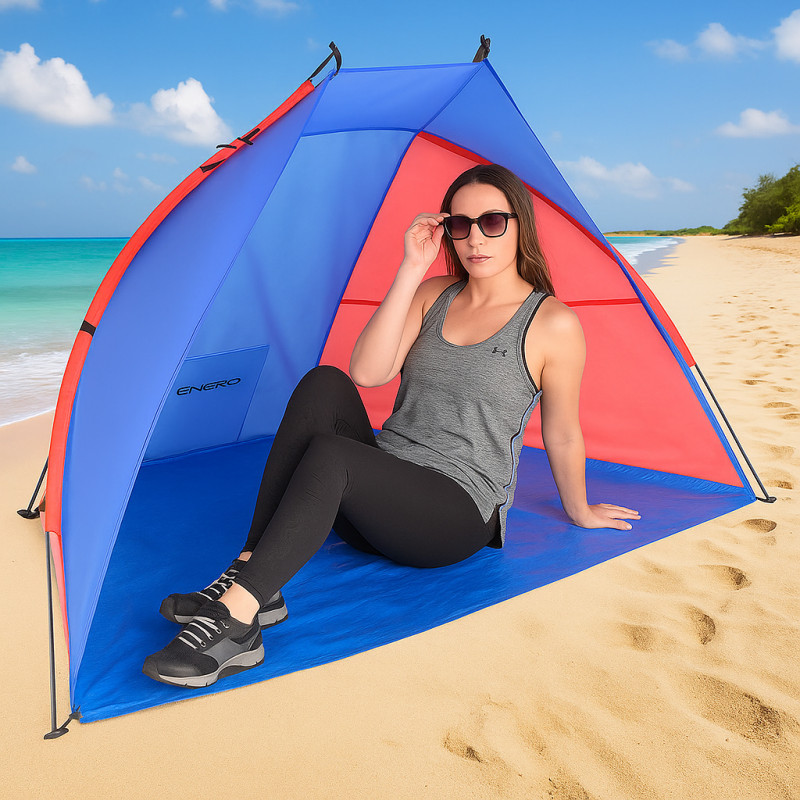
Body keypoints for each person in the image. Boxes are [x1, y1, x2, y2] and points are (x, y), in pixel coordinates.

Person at [143, 164, 641, 688]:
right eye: (460, 225)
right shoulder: (434, 294)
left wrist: (580, 509)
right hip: (376, 501)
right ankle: (253, 577)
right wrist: (411, 269)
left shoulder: (552, 323)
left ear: (521, 226)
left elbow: (562, 431)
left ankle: (237, 623)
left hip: (452, 517)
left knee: (333, 454)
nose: (475, 238)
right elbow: (367, 373)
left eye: (492, 222)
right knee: (324, 382)